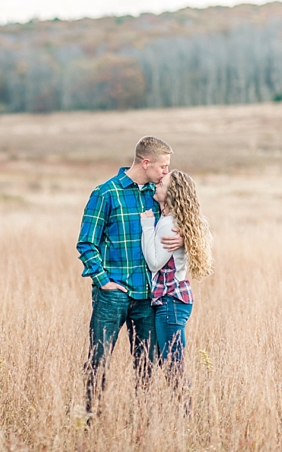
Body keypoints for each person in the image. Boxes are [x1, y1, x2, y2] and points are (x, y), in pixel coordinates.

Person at [77, 136, 183, 415]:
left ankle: (142, 422)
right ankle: (90, 419)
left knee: (146, 366)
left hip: (148, 296)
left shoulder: (157, 194)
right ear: (145, 162)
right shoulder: (106, 193)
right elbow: (86, 243)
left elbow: (190, 216)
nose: (165, 172)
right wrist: (103, 281)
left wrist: (185, 238)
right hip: (113, 295)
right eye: (163, 166)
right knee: (98, 360)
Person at [139, 169, 213, 388]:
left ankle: (184, 417)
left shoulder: (168, 224)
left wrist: (146, 226)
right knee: (171, 365)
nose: (157, 185)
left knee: (174, 368)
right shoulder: (171, 219)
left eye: (162, 184)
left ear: (171, 194)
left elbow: (154, 262)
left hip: (170, 301)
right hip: (174, 300)